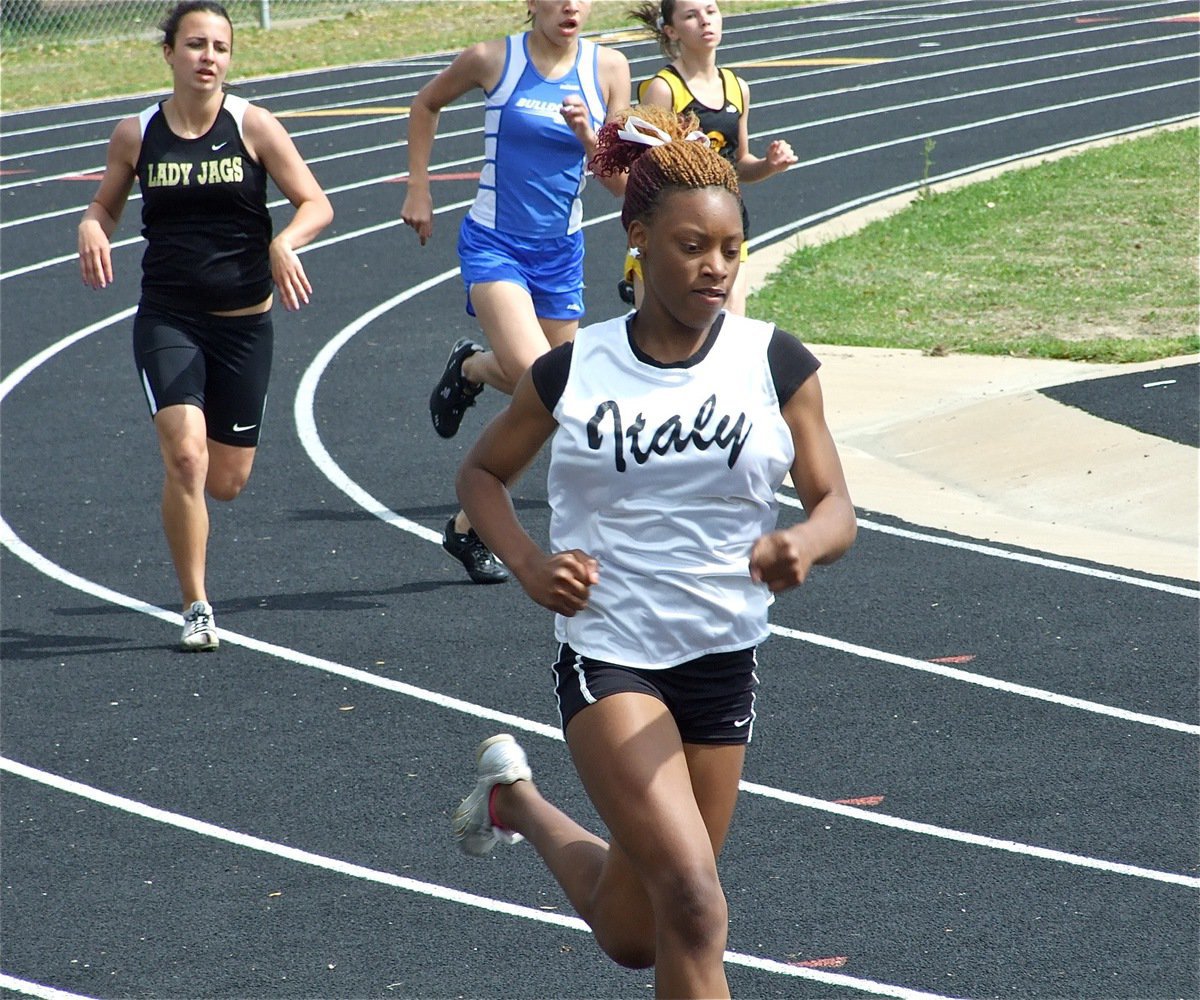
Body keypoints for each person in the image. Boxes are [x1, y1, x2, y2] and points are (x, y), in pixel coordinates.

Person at [450, 104, 856, 997]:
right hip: (613, 660)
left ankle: (512, 800)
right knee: (697, 906)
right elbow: (481, 476)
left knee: (641, 930)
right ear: (638, 237)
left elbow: (837, 507)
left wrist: (803, 542)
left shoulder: (776, 362)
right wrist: (527, 564)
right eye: (691, 248)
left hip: (723, 660)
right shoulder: (575, 370)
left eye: (730, 249)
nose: (715, 268)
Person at [77, 0, 333, 651]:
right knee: (187, 457)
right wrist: (90, 225)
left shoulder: (253, 125)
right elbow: (105, 205)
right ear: (169, 53)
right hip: (169, 317)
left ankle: (195, 514)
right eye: (195, 44)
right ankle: (196, 605)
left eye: (219, 46)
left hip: (245, 325)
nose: (208, 57)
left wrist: (287, 243)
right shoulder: (136, 133)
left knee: (226, 480)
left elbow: (315, 203)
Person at [400, 0, 630, 585]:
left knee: (551, 403)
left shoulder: (610, 70)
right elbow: (425, 103)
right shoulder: (492, 59)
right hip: (494, 242)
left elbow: (617, 183)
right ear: (533, 4)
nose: (571, 6)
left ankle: (466, 523)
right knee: (541, 380)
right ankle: (478, 371)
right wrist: (419, 189)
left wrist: (587, 134)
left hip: (562, 252)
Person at [618, 0, 798, 315]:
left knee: (730, 328)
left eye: (711, 11)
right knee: (665, 330)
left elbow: (739, 164)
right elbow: (645, 171)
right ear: (671, 30)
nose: (705, 21)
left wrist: (769, 165)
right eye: (691, 15)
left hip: (727, 223)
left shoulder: (737, 87)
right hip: (676, 230)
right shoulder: (663, 89)